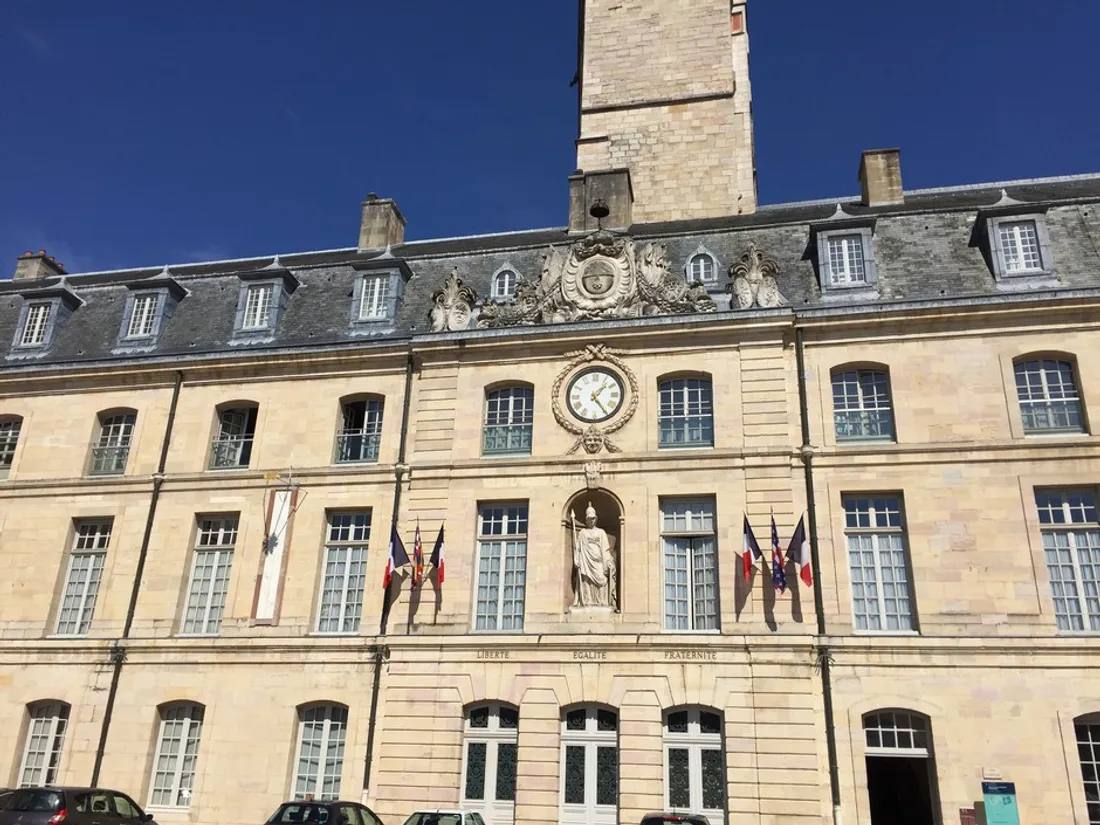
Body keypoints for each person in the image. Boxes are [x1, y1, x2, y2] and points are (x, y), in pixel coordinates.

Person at [572, 503, 616, 608]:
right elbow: (577, 547)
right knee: (586, 580)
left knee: (602, 579)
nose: (591, 521)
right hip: (586, 560)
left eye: (593, 519)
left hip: (598, 561)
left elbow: (605, 549)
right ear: (586, 520)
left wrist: (609, 561)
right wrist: (576, 558)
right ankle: (587, 601)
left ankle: (602, 601)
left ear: (596, 519)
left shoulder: (601, 532)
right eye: (589, 519)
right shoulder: (582, 532)